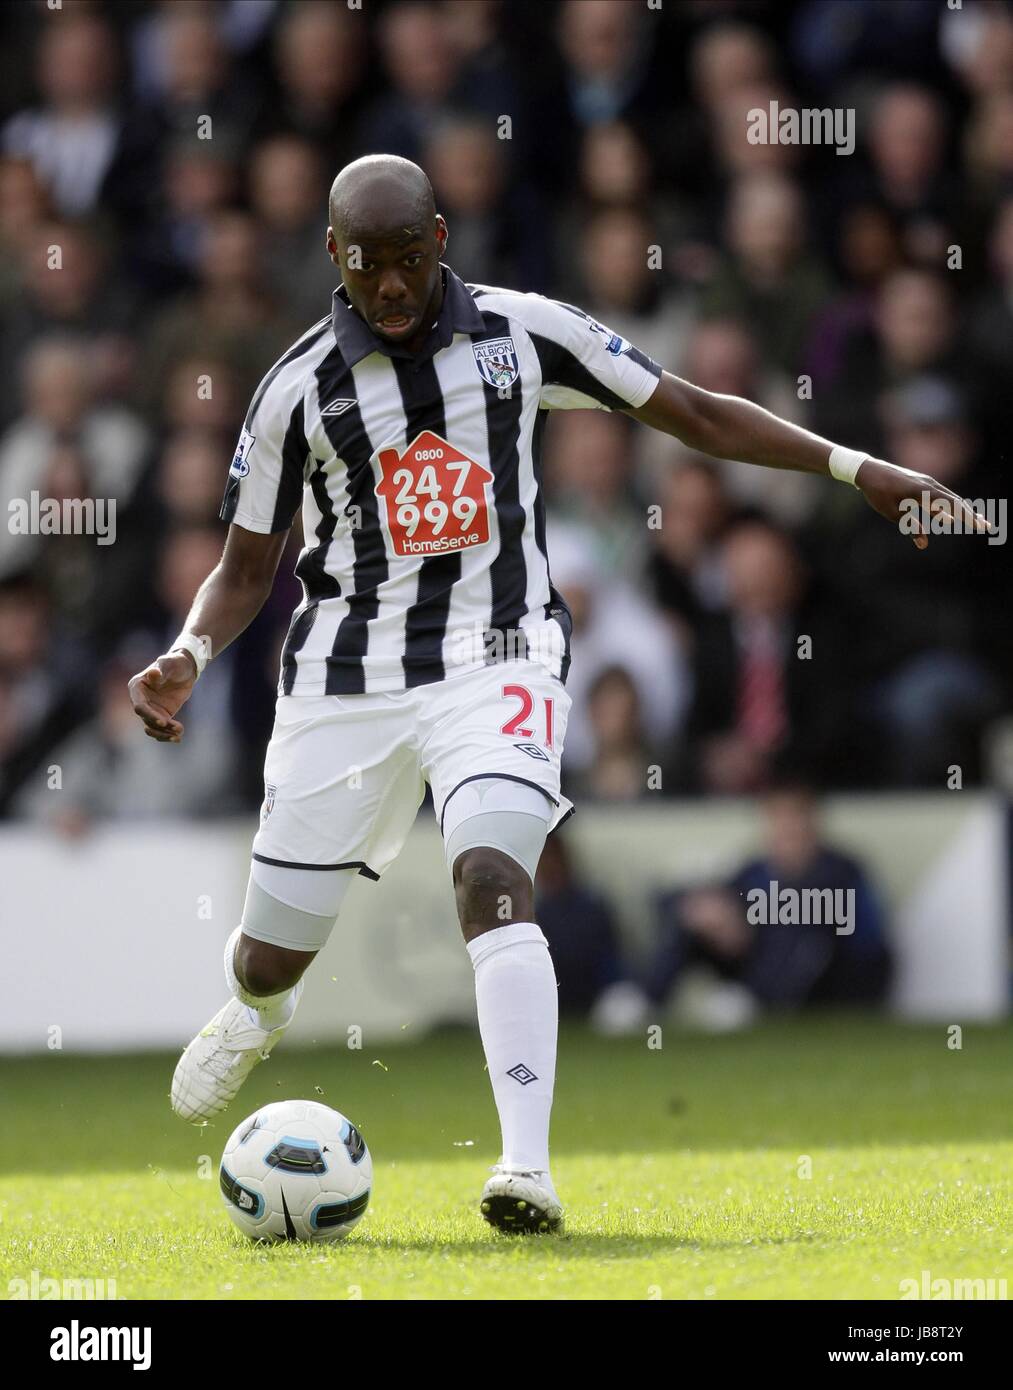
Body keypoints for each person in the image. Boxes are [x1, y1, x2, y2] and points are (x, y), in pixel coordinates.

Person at [127, 154, 986, 1237]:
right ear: (332, 259)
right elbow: (247, 564)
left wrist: (857, 469)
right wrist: (189, 654)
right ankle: (261, 1011)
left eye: (404, 259)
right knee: (266, 954)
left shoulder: (524, 332)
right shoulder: (296, 390)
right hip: (347, 680)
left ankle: (523, 1168)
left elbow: (691, 411)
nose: (388, 287)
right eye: (364, 265)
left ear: (439, 239)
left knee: (490, 874)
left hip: (501, 651)